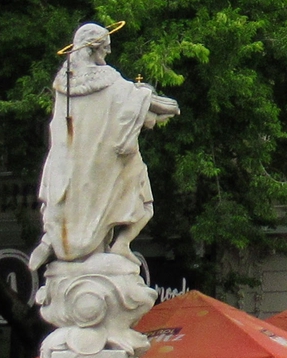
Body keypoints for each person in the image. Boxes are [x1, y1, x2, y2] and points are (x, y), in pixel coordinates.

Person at [33, 22, 179, 269]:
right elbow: (150, 104)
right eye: (106, 47)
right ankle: (120, 244)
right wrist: (163, 103)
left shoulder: (63, 84)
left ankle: (53, 236)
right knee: (144, 202)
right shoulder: (108, 80)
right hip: (103, 163)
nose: (109, 53)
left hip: (67, 164)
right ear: (93, 48)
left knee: (70, 203)